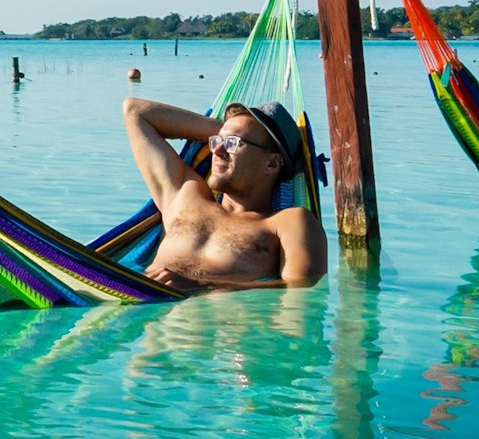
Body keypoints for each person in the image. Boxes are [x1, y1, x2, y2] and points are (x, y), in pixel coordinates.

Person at [119, 96, 326, 294]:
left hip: (218, 324)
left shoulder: (289, 222)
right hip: (138, 308)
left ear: (271, 163)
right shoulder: (186, 194)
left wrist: (202, 285)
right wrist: (227, 130)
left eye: (232, 143)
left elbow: (302, 290)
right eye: (216, 141)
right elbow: (135, 111)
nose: (216, 150)